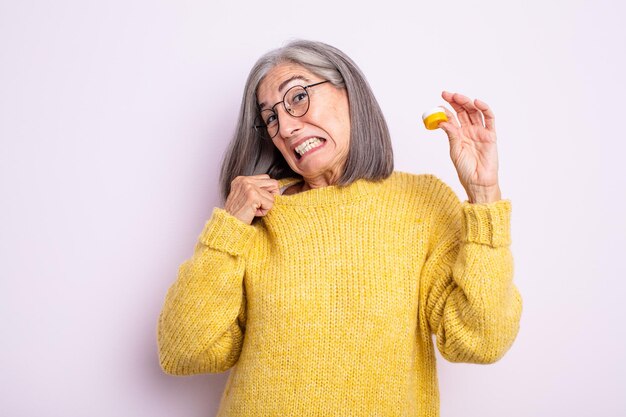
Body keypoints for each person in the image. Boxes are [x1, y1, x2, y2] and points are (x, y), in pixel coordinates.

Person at [157, 40, 522, 416]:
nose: (284, 126)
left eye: (297, 97)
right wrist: (228, 229)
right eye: (270, 117)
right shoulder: (256, 214)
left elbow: (481, 340)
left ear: (349, 93)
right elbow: (184, 351)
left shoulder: (421, 204)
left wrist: (483, 195)